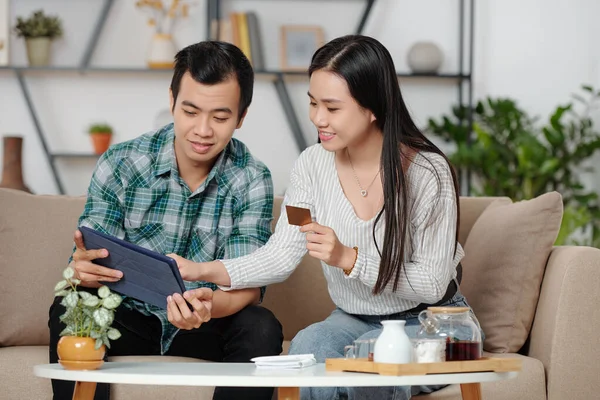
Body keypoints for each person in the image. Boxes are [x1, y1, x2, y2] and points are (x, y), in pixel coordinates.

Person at [171, 35, 482, 400]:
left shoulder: (427, 172)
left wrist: (348, 258)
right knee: (308, 350)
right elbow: (282, 253)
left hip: (434, 322)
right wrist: (201, 270)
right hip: (353, 320)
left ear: (372, 107)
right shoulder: (311, 165)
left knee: (372, 359)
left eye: (332, 108)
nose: (318, 118)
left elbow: (431, 283)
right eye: (313, 103)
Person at [48, 41, 283, 400]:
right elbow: (89, 256)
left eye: (220, 118)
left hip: (207, 322)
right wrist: (82, 269)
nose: (203, 130)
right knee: (69, 305)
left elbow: (248, 283)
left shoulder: (252, 178)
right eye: (190, 111)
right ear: (171, 101)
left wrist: (207, 308)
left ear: (241, 117)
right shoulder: (123, 162)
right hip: (127, 319)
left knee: (262, 326)